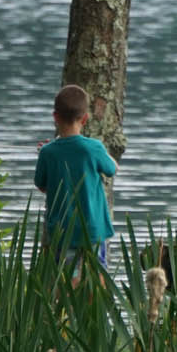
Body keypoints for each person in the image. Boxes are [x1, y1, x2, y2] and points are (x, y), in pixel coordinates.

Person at [33, 84, 117, 276]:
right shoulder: (93, 148)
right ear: (85, 118)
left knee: (65, 278)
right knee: (97, 278)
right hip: (94, 231)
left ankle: (66, 306)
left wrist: (52, 151)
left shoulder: (47, 152)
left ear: (55, 116)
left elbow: (42, 185)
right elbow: (112, 169)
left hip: (63, 233)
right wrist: (103, 152)